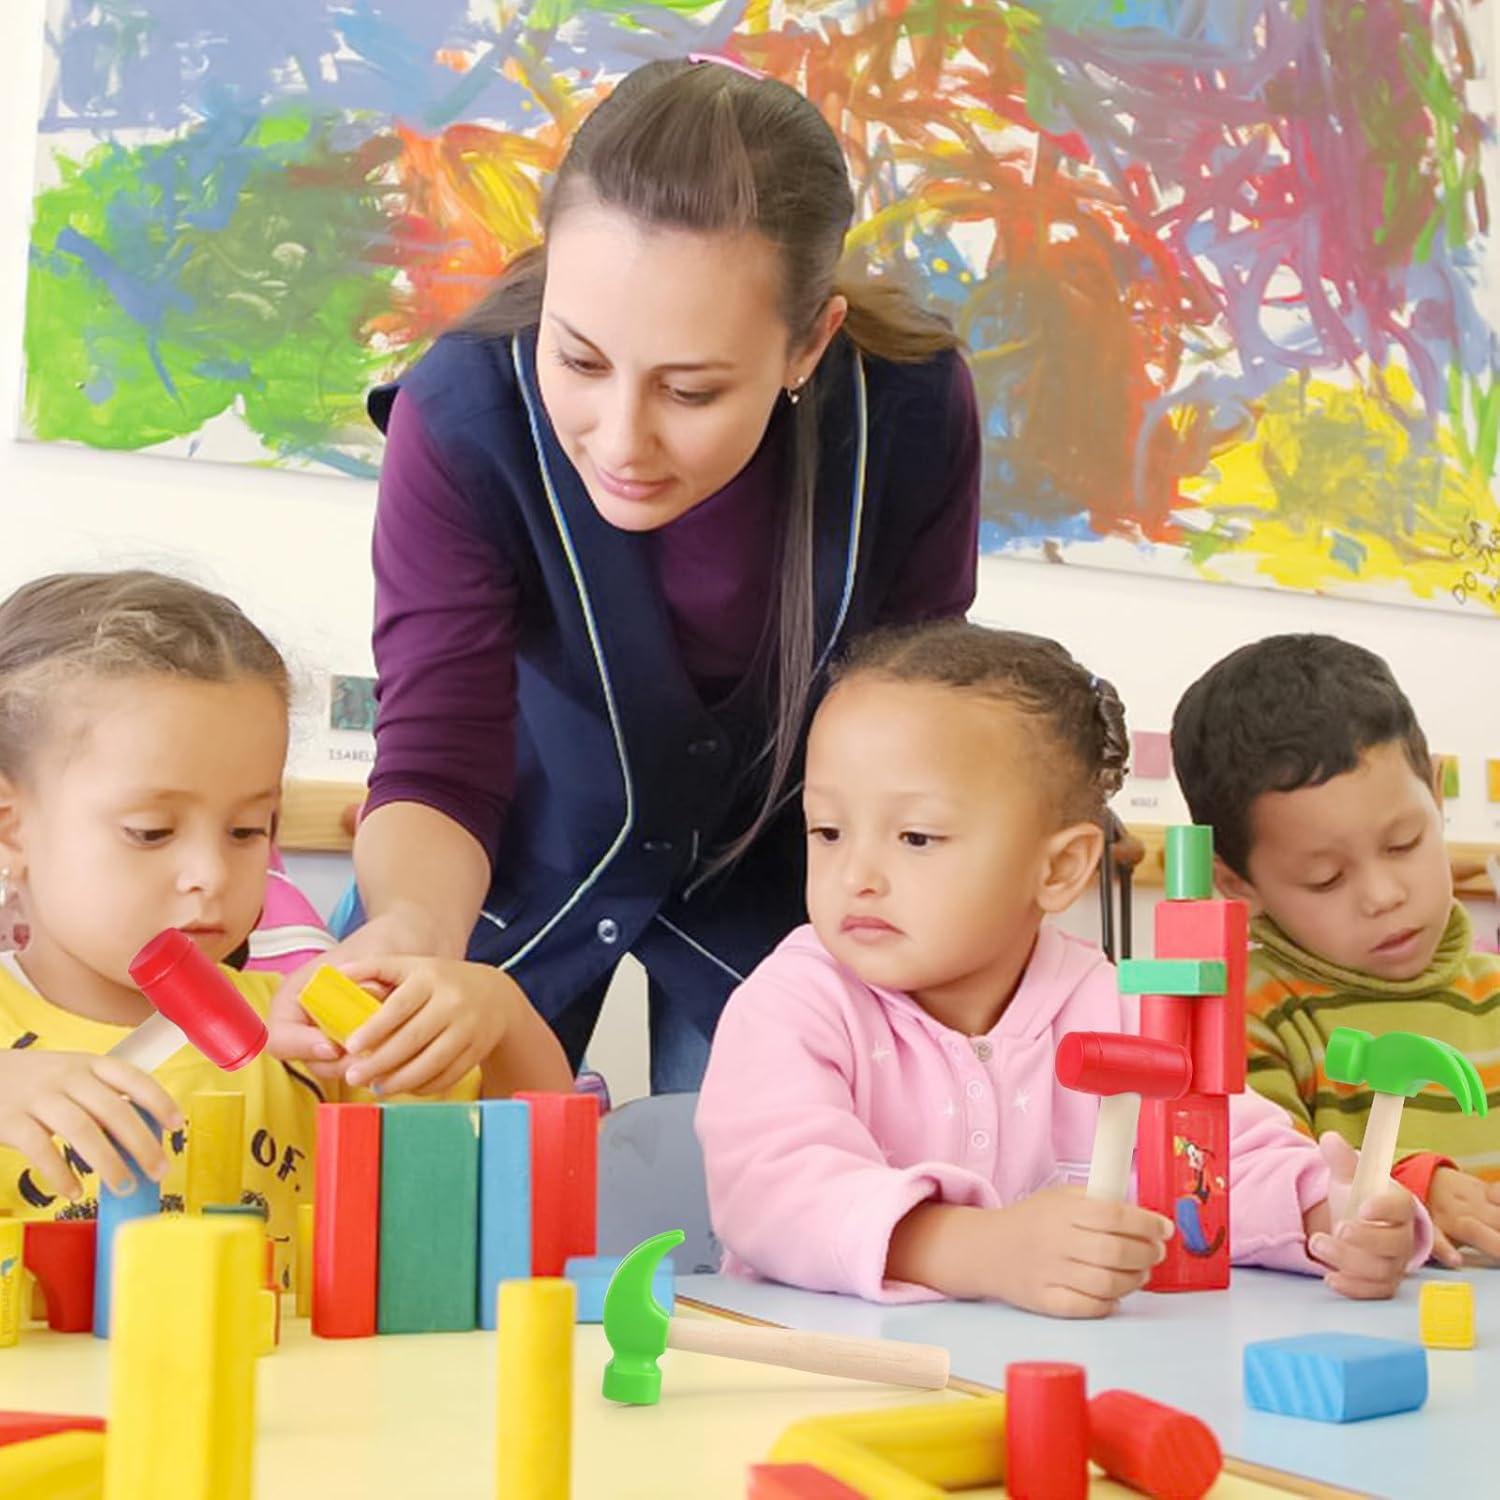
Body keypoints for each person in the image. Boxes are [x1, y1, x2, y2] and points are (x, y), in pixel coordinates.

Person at [269, 56, 981, 1093]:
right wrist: (414, 932)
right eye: (582, 361)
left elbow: (916, 725)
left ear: (808, 343)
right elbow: (437, 758)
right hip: (501, 877)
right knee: (438, 1205)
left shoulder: (908, 416)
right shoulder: (463, 415)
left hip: (787, 913)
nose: (620, 441)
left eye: (691, 390)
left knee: (772, 1222)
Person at [696, 622, 1427, 1315]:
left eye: (916, 836)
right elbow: (773, 1189)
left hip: (1061, 1391)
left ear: (1060, 868)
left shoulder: (1118, 1008)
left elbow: (1221, 1156)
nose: (857, 874)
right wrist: (979, 1249)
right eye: (827, 831)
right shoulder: (795, 1003)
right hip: (827, 1389)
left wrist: (1332, 1214)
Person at [0, 571, 571, 1254]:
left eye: (248, 830)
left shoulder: (316, 1037)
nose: (211, 875)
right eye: (151, 831)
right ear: (11, 829)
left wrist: (504, 1020)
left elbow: (534, 1207)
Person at [1173, 632, 1500, 1267]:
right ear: (1240, 884)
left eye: (1404, 842)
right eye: (1326, 878)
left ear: (1435, 796)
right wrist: (1408, 1187)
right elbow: (1265, 1191)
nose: (1382, 895)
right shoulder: (1246, 1020)